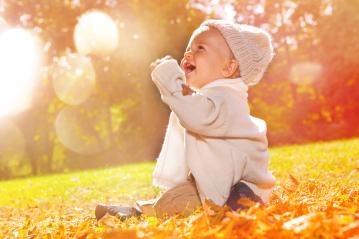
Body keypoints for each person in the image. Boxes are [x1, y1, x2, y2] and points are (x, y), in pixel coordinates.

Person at [95, 18, 276, 221]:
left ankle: (138, 214)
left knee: (180, 202)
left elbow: (197, 115)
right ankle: (139, 211)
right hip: (220, 183)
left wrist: (171, 81)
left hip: (242, 190)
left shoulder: (227, 100)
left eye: (200, 48)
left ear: (228, 67)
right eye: (189, 48)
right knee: (178, 197)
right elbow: (192, 109)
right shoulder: (212, 97)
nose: (189, 53)